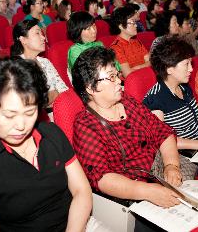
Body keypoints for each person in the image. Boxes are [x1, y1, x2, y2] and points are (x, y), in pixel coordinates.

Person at [0, 57, 92, 232]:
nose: (21, 126)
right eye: (9, 115)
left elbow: (82, 191)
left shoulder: (52, 133)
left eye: (30, 112)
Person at [71, 46, 183, 231]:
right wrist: (147, 191)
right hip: (131, 198)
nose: (119, 81)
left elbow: (162, 132)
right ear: (91, 87)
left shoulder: (128, 102)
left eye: (117, 74)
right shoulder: (85, 125)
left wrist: (171, 165)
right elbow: (102, 178)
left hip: (159, 176)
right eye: (112, 77)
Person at [143, 36, 198, 154]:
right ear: (169, 69)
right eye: (186, 64)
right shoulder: (155, 100)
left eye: (191, 63)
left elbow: (196, 118)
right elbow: (161, 140)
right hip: (188, 155)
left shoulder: (183, 86)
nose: (191, 69)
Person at [11, 19, 68, 106]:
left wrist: (53, 95)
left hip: (61, 108)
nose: (43, 37)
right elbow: (35, 101)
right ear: (23, 40)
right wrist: (55, 93)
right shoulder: (17, 66)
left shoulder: (45, 62)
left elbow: (64, 90)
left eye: (42, 33)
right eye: (37, 33)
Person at [109, 6, 150, 78]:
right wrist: (144, 66)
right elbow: (127, 74)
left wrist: (135, 68)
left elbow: (150, 62)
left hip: (146, 77)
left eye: (135, 22)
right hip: (132, 84)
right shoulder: (116, 47)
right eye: (132, 22)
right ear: (121, 26)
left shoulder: (137, 41)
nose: (136, 25)